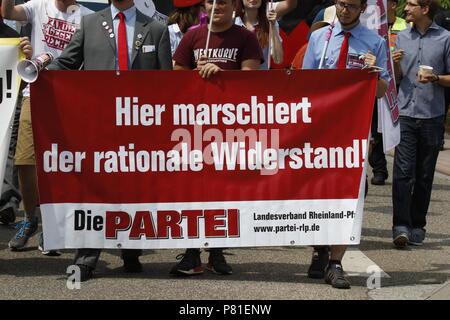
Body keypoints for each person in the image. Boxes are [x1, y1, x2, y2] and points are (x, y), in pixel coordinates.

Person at [46, 0, 171, 281]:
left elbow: (166, 83)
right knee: (95, 190)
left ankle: (131, 250)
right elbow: (67, 62)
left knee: (135, 189)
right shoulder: (90, 24)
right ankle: (87, 258)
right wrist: (40, 70)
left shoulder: (156, 28)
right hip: (98, 124)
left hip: (140, 126)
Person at [170, 0, 263, 275]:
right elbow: (176, 75)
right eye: (211, 1)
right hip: (195, 126)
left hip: (230, 126)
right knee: (194, 188)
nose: (216, 6)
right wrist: (195, 75)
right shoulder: (193, 36)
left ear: (234, 6)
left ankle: (218, 252)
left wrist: (221, 74)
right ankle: (191, 252)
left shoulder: (246, 37)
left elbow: (251, 78)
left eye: (223, 1)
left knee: (223, 189)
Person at [302, 0, 389, 289]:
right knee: (316, 190)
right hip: (320, 128)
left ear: (363, 8)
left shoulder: (374, 42)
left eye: (352, 5)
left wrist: (373, 74)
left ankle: (336, 262)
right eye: (341, 3)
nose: (345, 10)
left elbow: (382, 90)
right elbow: (303, 84)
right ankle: (319, 250)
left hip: (352, 131)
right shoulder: (319, 38)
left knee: (348, 193)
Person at [1, 0, 94, 255]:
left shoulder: (88, 17)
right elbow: (8, 13)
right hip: (36, 91)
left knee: (64, 165)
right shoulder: (37, 6)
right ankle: (30, 218)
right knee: (24, 161)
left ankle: (53, 227)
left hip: (70, 98)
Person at [391, 0, 450, 247]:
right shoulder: (402, 37)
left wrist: (435, 77)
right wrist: (394, 64)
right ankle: (400, 225)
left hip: (432, 115)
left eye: (411, 5)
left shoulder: (446, 38)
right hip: (405, 112)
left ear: (425, 9)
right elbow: (395, 78)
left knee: (425, 175)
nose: (406, 9)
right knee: (403, 173)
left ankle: (418, 225)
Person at [369, 0, 408, 186]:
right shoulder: (372, 25)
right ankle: (379, 168)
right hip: (379, 79)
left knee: (396, 125)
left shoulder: (405, 26)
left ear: (392, 4)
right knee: (375, 126)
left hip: (399, 82)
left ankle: (403, 169)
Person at [234, 0, 288, 68]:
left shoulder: (270, 23)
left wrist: (273, 27)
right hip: (236, 76)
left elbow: (278, 60)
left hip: (261, 76)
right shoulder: (233, 23)